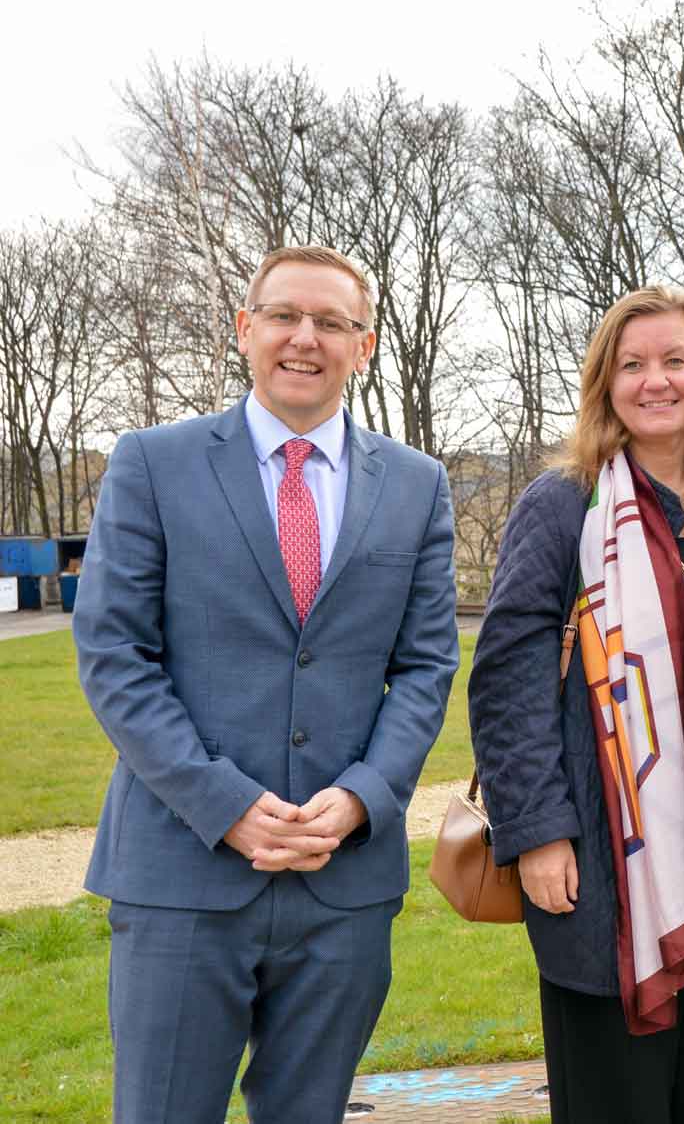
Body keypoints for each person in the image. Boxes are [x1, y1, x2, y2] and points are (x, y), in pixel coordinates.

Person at [73, 246, 459, 1123]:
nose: (305, 338)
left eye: (331, 322)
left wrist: (363, 797)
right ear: (245, 330)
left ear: (364, 345)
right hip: (184, 871)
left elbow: (428, 665)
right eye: (285, 316)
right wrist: (224, 804)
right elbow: (114, 655)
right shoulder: (151, 463)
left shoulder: (416, 485)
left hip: (343, 882)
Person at [467, 286, 684, 1123]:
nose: (657, 381)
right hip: (613, 865)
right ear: (604, 382)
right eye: (633, 364)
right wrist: (536, 831)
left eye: (675, 360)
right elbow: (507, 679)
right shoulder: (566, 504)